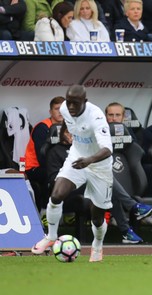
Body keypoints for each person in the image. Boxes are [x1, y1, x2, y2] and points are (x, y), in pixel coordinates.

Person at [31, 84, 113, 262]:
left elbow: (107, 149)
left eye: (76, 103)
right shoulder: (64, 109)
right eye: (69, 103)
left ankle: (97, 246)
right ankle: (51, 237)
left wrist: (89, 160)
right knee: (56, 195)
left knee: (97, 217)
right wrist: (62, 136)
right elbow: (66, 124)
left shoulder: (96, 117)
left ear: (85, 101)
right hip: (77, 156)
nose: (71, 107)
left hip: (99, 165)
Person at [104, 102, 152, 228]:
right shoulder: (100, 131)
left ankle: (146, 215)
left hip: (126, 168)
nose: (114, 118)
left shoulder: (130, 132)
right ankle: (114, 215)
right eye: (111, 115)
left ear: (123, 117)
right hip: (105, 170)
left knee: (149, 169)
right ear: (105, 116)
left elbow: (137, 153)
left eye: (117, 115)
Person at [25, 96, 65, 219]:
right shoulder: (42, 127)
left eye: (63, 109)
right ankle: (44, 213)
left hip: (58, 165)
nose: (60, 112)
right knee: (51, 174)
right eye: (57, 109)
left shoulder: (70, 127)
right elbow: (42, 157)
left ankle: (70, 211)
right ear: (50, 112)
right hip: (34, 167)